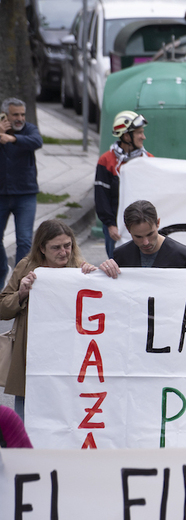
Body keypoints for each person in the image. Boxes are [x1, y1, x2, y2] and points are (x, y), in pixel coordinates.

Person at [1, 220, 98, 420]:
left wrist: (95, 278)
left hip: (68, 355)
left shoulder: (80, 269)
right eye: (56, 247)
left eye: (67, 246)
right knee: (27, 416)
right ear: (42, 249)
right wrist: (21, 294)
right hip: (31, 356)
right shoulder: (26, 267)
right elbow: (2, 309)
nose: (63, 252)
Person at [96, 111, 153, 260]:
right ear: (127, 136)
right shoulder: (106, 160)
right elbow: (101, 196)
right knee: (117, 266)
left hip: (143, 227)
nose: (143, 137)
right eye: (139, 133)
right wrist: (110, 225)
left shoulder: (149, 160)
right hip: (116, 229)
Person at [0, 97, 42, 285]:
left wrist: (13, 138)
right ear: (5, 115)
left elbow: (36, 141)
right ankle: (2, 269)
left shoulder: (29, 130)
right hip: (1, 195)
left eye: (22, 114)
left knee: (24, 240)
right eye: (15, 114)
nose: (20, 118)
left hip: (25, 194)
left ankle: (19, 282)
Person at [110, 200, 186, 269]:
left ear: (158, 223)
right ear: (128, 229)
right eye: (138, 237)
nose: (146, 242)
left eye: (150, 234)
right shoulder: (120, 256)